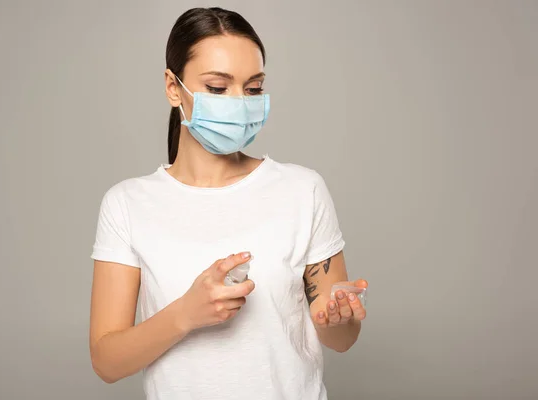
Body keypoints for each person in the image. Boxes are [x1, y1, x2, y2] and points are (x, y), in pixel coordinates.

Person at [89, 7, 368, 400]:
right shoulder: (127, 204)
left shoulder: (302, 190)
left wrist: (339, 317)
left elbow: (340, 339)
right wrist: (185, 314)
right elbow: (106, 361)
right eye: (218, 89)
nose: (239, 103)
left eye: (252, 89)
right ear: (173, 87)